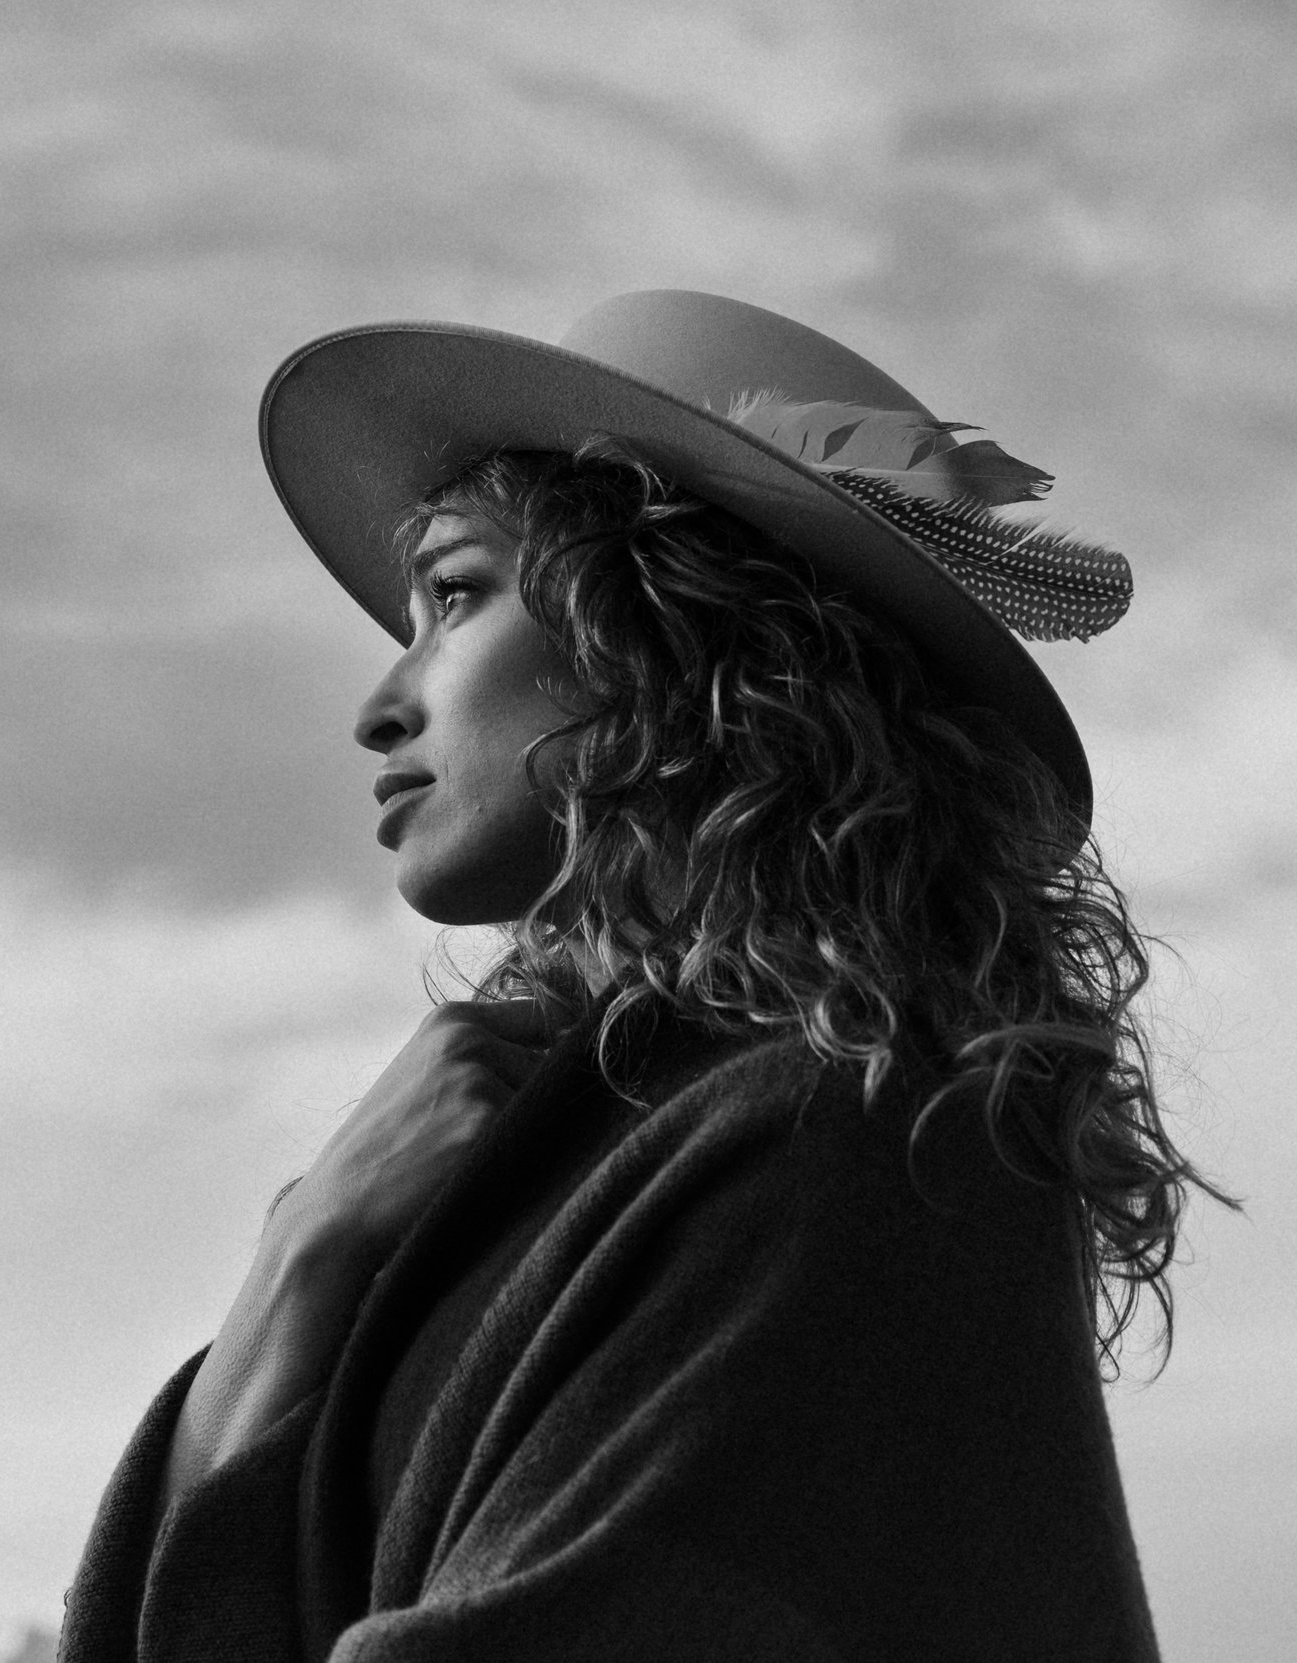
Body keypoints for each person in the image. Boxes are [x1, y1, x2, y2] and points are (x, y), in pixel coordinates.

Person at [60, 290, 1221, 1662]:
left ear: (677, 635)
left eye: (455, 595)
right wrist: (301, 1262)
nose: (382, 702)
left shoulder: (865, 1134)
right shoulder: (516, 1160)